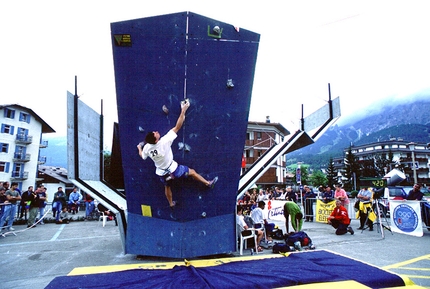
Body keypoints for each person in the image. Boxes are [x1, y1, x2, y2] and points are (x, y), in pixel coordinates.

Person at [137, 99, 218, 209]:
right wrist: (183, 111)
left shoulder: (147, 147)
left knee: (167, 187)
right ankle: (208, 183)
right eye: (155, 134)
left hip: (161, 172)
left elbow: (142, 156)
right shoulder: (164, 142)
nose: (156, 132)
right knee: (192, 172)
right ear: (155, 140)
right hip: (173, 169)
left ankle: (171, 203)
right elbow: (177, 127)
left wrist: (139, 148)